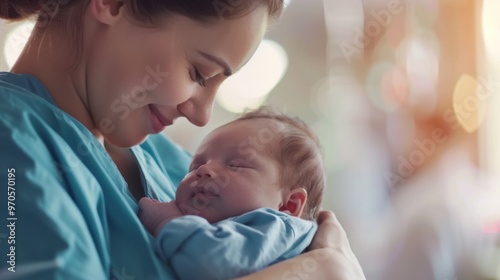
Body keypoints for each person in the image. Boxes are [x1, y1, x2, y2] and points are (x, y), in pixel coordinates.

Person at [0, 1, 365, 279]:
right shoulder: (12, 147)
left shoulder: (172, 162)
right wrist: (322, 268)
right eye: (199, 72)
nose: (201, 115)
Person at [138, 107, 324, 280]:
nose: (204, 170)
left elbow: (209, 263)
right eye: (195, 165)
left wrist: (168, 221)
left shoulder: (278, 227)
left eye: (233, 165)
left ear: (288, 205)